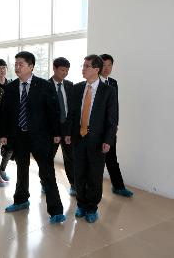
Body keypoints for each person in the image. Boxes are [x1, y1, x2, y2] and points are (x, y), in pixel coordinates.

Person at [0, 51, 65, 224]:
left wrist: (57, 133)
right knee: (21, 170)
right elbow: (5, 113)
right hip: (19, 136)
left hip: (40, 137)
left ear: (31, 66)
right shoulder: (11, 87)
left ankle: (56, 209)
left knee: (47, 172)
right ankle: (21, 200)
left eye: (20, 64)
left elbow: (54, 111)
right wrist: (4, 135)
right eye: (15, 64)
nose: (17, 67)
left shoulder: (44, 86)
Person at [69, 54, 118, 223]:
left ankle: (92, 207)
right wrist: (68, 134)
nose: (83, 69)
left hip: (97, 140)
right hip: (78, 138)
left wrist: (108, 140)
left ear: (96, 69)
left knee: (95, 175)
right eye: (83, 66)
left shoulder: (108, 91)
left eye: (86, 66)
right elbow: (72, 115)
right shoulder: (77, 88)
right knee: (79, 173)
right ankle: (81, 204)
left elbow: (112, 119)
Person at [99, 54, 133, 197]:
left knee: (112, 157)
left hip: (110, 127)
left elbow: (114, 106)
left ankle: (118, 186)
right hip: (95, 128)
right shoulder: (93, 82)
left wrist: (115, 124)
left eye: (110, 65)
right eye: (104, 65)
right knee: (95, 161)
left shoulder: (113, 83)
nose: (107, 69)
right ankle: (87, 189)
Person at [43, 57, 76, 196]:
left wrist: (69, 130)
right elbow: (44, 111)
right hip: (51, 130)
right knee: (47, 158)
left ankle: (74, 184)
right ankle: (46, 183)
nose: (65, 73)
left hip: (67, 129)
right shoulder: (45, 86)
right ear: (54, 68)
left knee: (70, 158)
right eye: (62, 70)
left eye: (67, 70)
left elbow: (72, 109)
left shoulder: (69, 85)